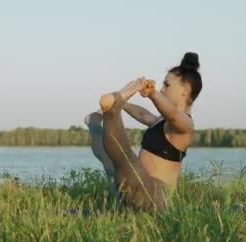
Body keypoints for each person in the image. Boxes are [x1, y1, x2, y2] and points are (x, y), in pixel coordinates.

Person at [84, 52, 203, 212]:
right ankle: (105, 113)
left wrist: (152, 94)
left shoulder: (185, 126)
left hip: (155, 196)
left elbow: (173, 115)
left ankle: (112, 109)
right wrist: (124, 104)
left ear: (185, 90)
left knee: (124, 157)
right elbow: (143, 114)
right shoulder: (161, 121)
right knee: (102, 144)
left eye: (166, 85)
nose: (162, 89)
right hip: (134, 186)